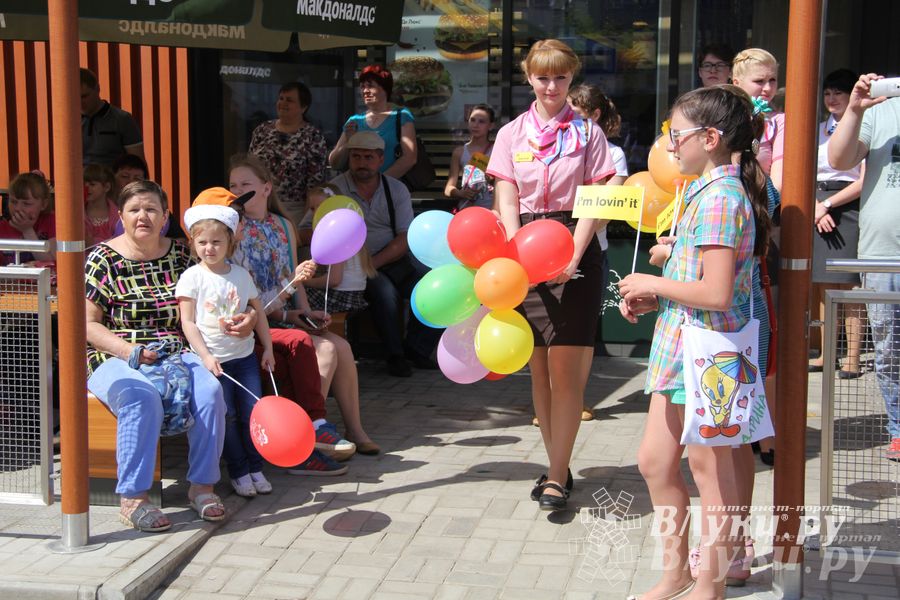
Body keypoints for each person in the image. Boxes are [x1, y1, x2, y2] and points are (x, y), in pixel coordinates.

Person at [618, 85, 771, 599]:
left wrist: (651, 284)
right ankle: (678, 572)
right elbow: (702, 286)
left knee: (710, 470)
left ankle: (710, 584)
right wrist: (655, 297)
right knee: (655, 463)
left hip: (710, 357)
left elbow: (718, 291)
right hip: (686, 349)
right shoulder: (708, 192)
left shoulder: (721, 198)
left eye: (674, 134)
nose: (668, 145)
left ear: (709, 138)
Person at [486, 39, 615, 512]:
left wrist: (575, 255)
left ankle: (558, 474)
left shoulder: (588, 133)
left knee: (566, 373)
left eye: (561, 77)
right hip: (525, 248)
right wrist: (519, 254)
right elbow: (506, 196)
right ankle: (555, 463)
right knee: (537, 369)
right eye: (543, 77)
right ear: (529, 77)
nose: (552, 86)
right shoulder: (511, 134)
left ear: (571, 79)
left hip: (572, 244)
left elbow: (597, 201)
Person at [85, 180, 228, 532]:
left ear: (165, 216)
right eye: (134, 209)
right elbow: (86, 326)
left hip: (176, 351)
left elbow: (212, 299)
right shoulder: (102, 258)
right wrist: (130, 351)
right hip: (114, 354)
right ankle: (133, 497)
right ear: (121, 216)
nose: (143, 216)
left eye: (151, 209)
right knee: (141, 398)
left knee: (210, 394)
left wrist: (244, 318)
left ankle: (202, 486)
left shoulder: (182, 255)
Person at [229, 154, 378, 461]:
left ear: (267, 188)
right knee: (324, 350)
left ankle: (355, 429)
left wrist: (307, 312)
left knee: (343, 347)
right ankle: (303, 437)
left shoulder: (283, 225)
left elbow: (293, 277)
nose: (239, 189)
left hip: (284, 312)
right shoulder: (234, 230)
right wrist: (286, 313)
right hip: (257, 320)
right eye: (233, 185)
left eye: (246, 183)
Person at [177, 201, 277, 498]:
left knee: (252, 412)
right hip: (215, 362)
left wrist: (268, 348)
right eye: (203, 242)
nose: (210, 248)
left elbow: (258, 313)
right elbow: (188, 322)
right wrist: (206, 356)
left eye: (217, 241)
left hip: (244, 359)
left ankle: (256, 466)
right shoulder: (192, 277)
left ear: (230, 242)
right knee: (228, 416)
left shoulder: (241, 275)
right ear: (193, 244)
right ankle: (238, 470)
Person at [828, 73, 900, 462]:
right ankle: (899, 429)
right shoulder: (882, 105)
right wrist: (854, 108)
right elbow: (839, 159)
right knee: (890, 349)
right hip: (884, 252)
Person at [329, 131, 441, 378]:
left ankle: (417, 348)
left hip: (391, 258)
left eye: (368, 157)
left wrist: (374, 263)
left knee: (435, 286)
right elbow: (308, 229)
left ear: (381, 160)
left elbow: (405, 237)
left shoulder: (396, 189)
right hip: (351, 264)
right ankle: (394, 355)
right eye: (356, 156)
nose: (361, 163)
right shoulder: (335, 189)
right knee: (385, 294)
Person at [563, 83, 628, 426]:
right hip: (547, 250)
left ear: (595, 115)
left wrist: (575, 220)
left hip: (590, 250)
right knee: (549, 331)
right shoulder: (553, 145)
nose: (567, 116)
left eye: (575, 111)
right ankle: (550, 402)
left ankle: (577, 398)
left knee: (582, 331)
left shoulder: (614, 155)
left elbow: (605, 211)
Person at [808, 69, 865, 379]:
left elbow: (863, 178)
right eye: (828, 93)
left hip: (847, 205)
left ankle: (853, 358)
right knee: (823, 283)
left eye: (838, 93)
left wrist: (828, 204)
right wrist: (817, 205)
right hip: (817, 202)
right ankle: (825, 354)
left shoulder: (864, 128)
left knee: (849, 284)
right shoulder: (817, 129)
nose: (831, 99)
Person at [248, 82, 328, 226]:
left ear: (303, 107)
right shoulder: (262, 130)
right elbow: (250, 168)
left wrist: (304, 223)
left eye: (289, 100)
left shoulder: (313, 136)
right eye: (281, 98)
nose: (283, 103)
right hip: (260, 205)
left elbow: (314, 184)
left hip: (293, 210)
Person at [328, 65, 418, 181]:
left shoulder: (401, 116)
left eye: (370, 86)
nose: (365, 91)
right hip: (357, 192)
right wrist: (348, 144)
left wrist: (379, 184)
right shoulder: (354, 121)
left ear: (385, 88)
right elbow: (335, 164)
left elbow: (409, 159)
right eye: (362, 87)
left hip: (390, 191)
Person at [731, 48, 784, 192]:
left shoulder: (779, 122)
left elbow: (778, 183)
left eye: (772, 80)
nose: (767, 88)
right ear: (737, 83)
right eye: (759, 81)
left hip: (761, 205)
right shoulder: (721, 115)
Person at [80, 68, 143, 166]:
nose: (80, 102)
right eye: (76, 97)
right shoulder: (69, 122)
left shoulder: (122, 120)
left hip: (111, 179)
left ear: (97, 89)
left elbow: (138, 163)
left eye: (84, 96)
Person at [444, 104, 496, 211]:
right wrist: (460, 193)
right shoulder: (459, 152)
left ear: (491, 126)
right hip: (466, 210)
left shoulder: (497, 150)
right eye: (472, 120)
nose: (475, 125)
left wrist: (491, 179)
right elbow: (448, 188)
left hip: (490, 211)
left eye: (481, 121)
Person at [0, 171, 56, 266]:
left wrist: (27, 231)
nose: (18, 208)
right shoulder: (2, 229)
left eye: (26, 204)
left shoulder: (51, 222)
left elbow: (53, 261)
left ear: (43, 204)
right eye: (13, 202)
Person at [83, 163, 120, 246]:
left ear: (107, 187)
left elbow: (121, 241)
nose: (86, 187)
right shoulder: (77, 213)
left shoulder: (118, 215)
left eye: (92, 184)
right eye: (84, 184)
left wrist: (93, 242)